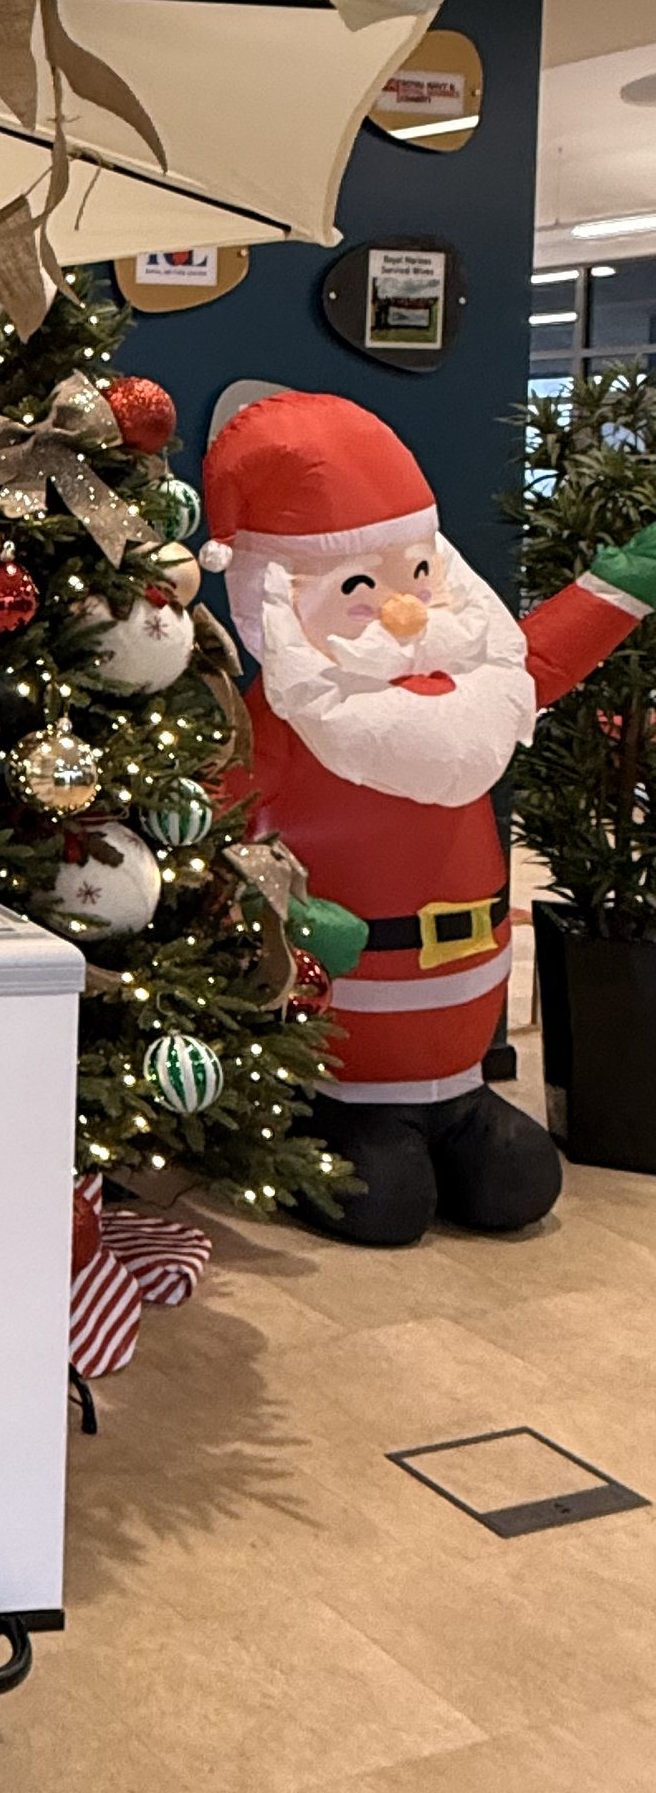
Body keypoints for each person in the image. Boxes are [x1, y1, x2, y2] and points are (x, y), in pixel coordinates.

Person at [201, 389, 656, 1245]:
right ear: (280, 601)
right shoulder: (293, 710)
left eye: (419, 574)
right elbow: (222, 821)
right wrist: (287, 914)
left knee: (518, 1182)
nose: (407, 610)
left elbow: (541, 657)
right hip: (344, 1043)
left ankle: (451, 1102)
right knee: (387, 1198)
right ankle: (324, 1122)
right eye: (362, 586)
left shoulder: (468, 686)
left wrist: (624, 581)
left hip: (462, 1038)